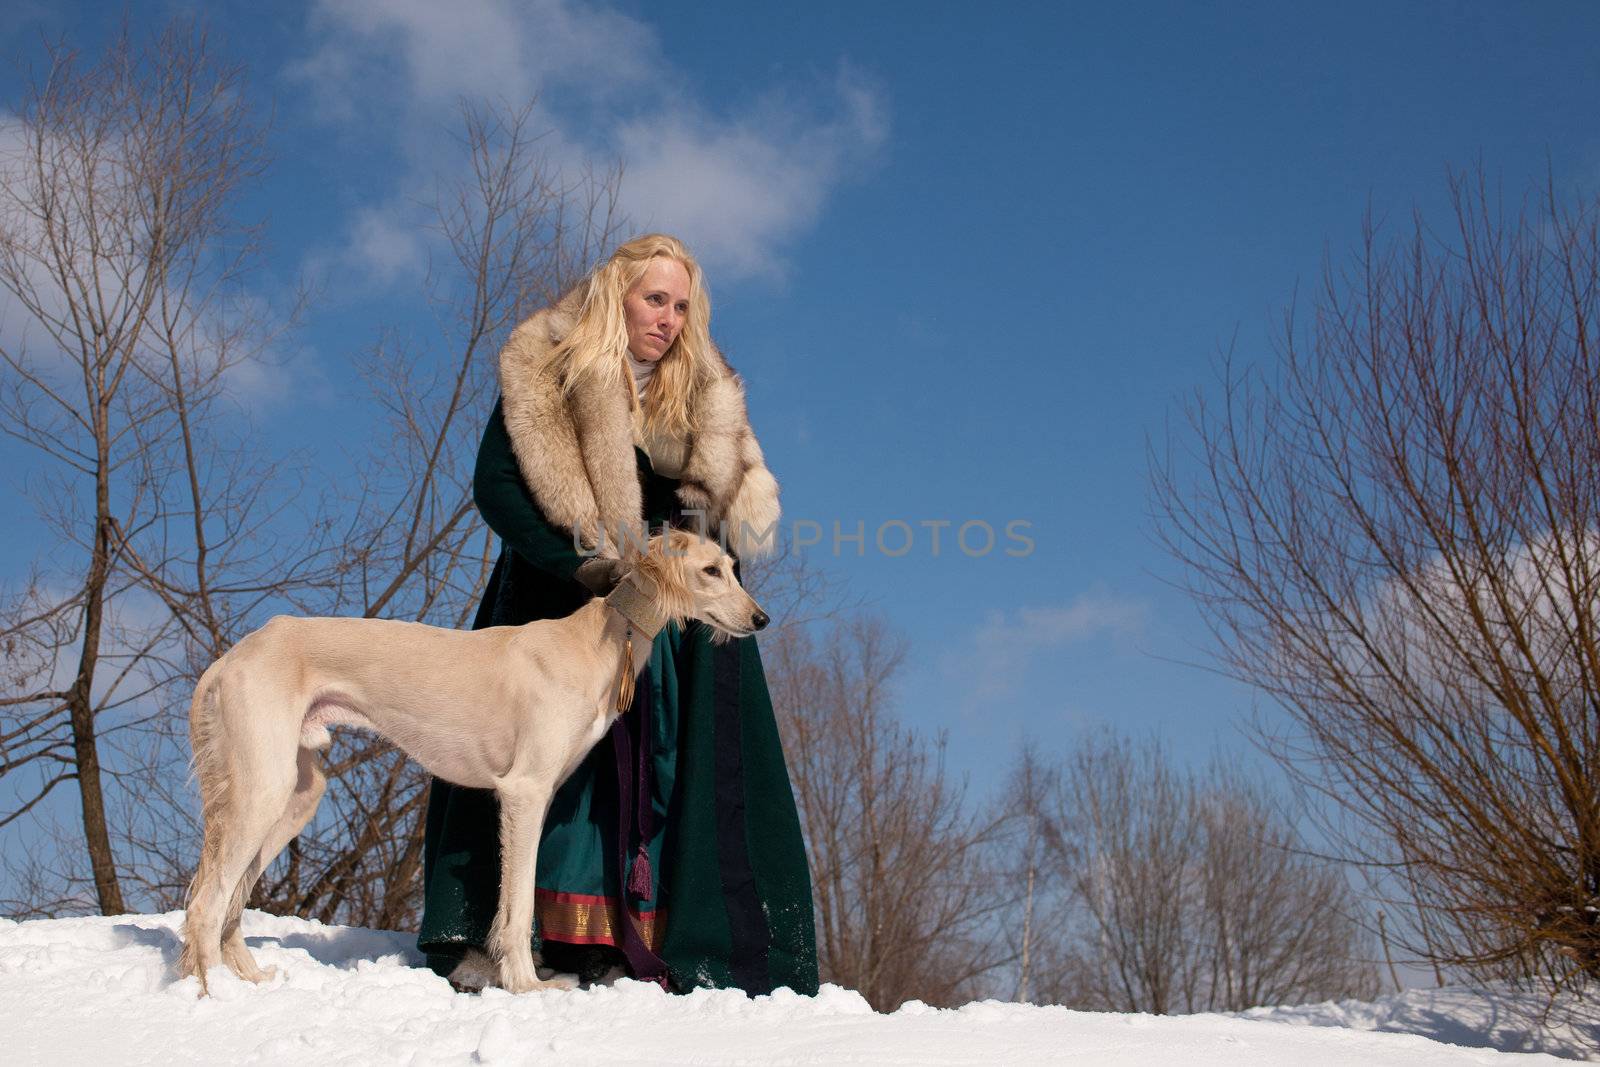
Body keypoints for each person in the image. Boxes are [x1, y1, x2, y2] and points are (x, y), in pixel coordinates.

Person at [417, 234, 819, 996]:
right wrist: (577, 564)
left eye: (681, 305)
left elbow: (724, 517)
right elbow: (496, 486)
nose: (667, 319)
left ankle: (656, 939)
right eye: (653, 298)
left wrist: (692, 558)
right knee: (557, 771)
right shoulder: (550, 367)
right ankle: (522, 937)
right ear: (617, 295)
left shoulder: (704, 391)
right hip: (559, 588)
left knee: (673, 763)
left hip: (670, 610)